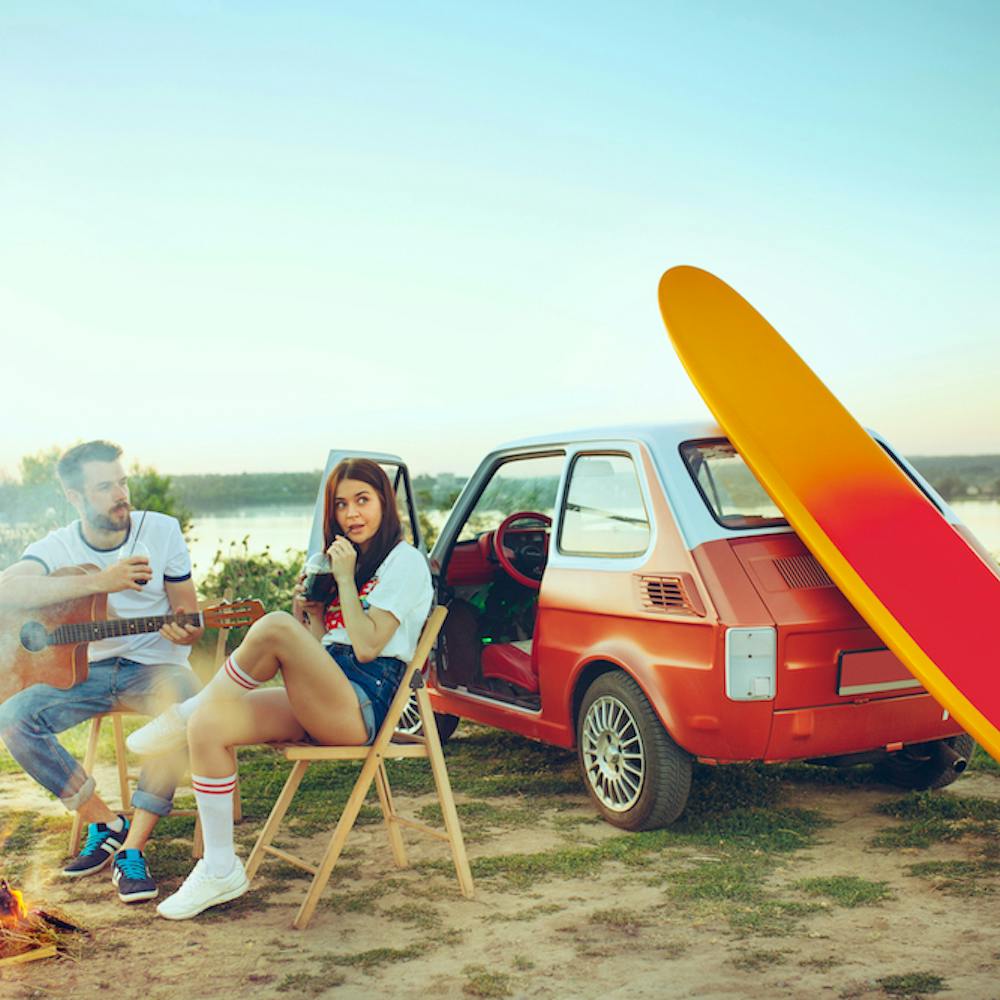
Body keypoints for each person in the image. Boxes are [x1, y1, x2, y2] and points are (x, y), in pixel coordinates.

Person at [127, 458, 433, 920]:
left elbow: (368, 647)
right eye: (342, 505)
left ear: (385, 504)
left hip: (364, 705)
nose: (352, 514)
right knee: (211, 725)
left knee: (272, 626)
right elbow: (323, 651)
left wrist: (345, 581)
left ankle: (185, 711)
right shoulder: (351, 561)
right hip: (331, 689)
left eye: (363, 501)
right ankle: (219, 867)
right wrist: (311, 617)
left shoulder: (404, 563)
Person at [0, 440, 202, 904]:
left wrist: (185, 632)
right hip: (82, 672)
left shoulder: (162, 532)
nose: (120, 494)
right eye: (105, 486)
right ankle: (104, 820)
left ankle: (132, 849)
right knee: (12, 718)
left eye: (122, 481)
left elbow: (188, 615)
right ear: (75, 498)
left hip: (156, 667)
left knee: (184, 708)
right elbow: (7, 590)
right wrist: (100, 581)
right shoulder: (59, 545)